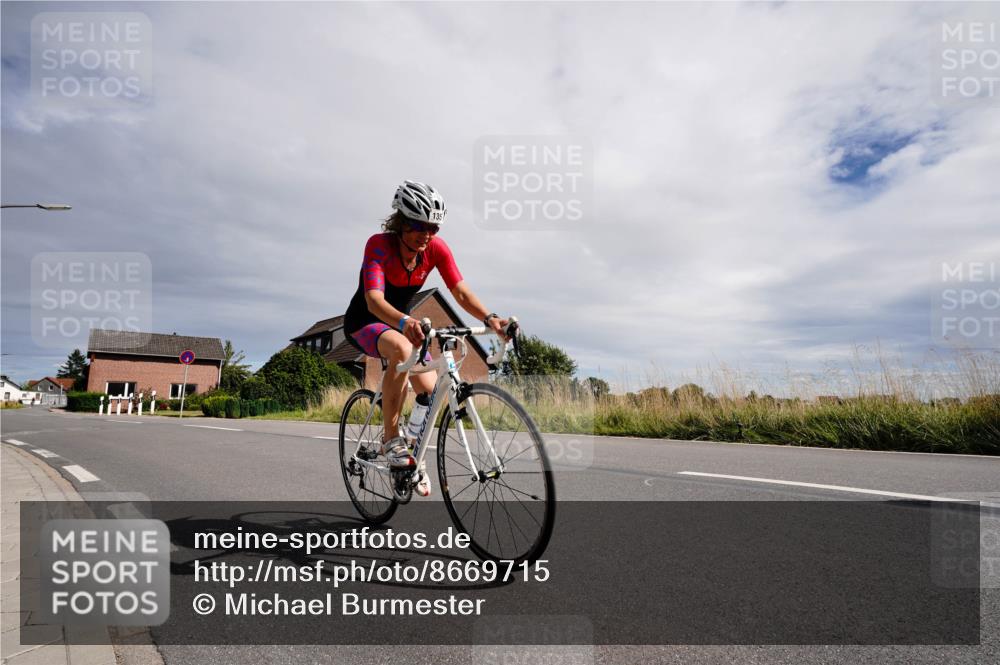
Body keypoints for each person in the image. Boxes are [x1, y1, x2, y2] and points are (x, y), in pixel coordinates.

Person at [343, 180, 509, 497]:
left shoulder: (435, 249)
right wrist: (405, 321)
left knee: (431, 392)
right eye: (419, 226)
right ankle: (391, 439)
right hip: (365, 322)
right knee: (401, 348)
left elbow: (460, 292)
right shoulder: (379, 245)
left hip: (402, 326)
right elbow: (374, 301)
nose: (427, 234)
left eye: (433, 228)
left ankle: (412, 454)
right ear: (401, 221)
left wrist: (490, 318)